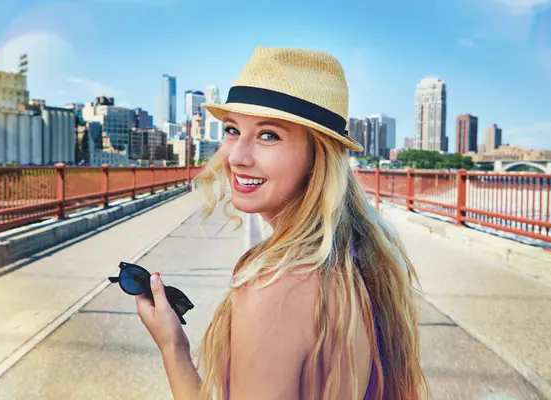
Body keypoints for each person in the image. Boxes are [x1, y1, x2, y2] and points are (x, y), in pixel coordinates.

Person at [136, 46, 428, 400]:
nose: (238, 156)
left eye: (268, 135)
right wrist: (173, 340)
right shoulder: (357, 260)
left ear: (317, 155)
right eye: (232, 130)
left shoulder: (274, 289)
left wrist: (173, 351)